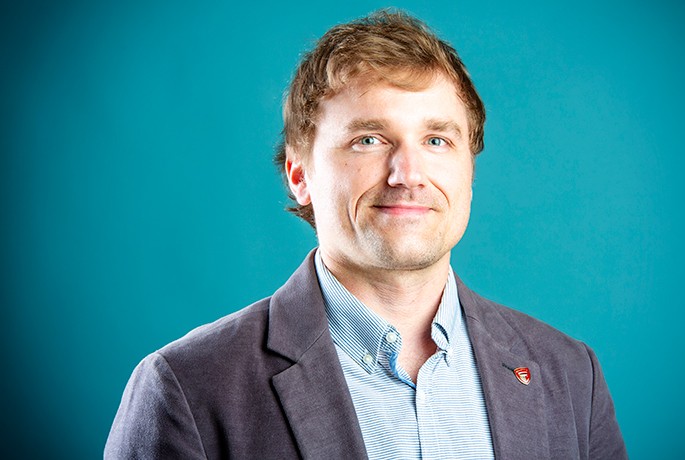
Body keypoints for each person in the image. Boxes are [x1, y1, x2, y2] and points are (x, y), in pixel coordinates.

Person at [105, 9, 626, 459]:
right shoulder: (187, 388)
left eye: (437, 139)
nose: (407, 173)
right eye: (368, 139)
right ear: (299, 174)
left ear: (470, 171)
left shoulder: (569, 374)